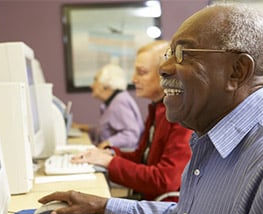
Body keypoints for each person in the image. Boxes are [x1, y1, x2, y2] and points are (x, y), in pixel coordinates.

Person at [39, 3, 263, 214]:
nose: (164, 68)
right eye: (169, 54)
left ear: (237, 71)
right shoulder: (209, 138)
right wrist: (105, 205)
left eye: (183, 53)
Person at [71, 40, 193, 201]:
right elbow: (143, 158)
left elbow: (165, 180)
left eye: (141, 72)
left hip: (164, 208)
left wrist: (109, 162)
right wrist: (111, 154)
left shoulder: (181, 117)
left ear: (166, 73)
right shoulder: (157, 109)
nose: (133, 79)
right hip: (148, 200)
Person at [73, 64, 144, 150]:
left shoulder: (120, 102)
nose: (91, 86)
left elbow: (131, 135)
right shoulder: (112, 102)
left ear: (106, 85)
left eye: (95, 80)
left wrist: (107, 143)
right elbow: (106, 130)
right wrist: (82, 127)